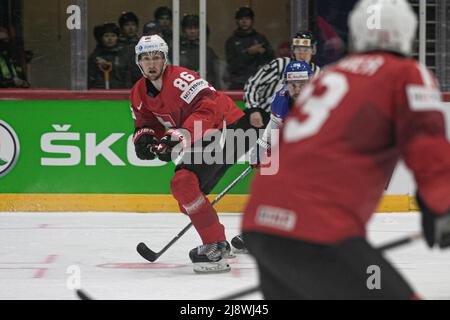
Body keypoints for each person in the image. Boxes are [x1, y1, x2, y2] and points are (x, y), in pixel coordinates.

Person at [242, 0, 450, 299]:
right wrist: (441, 205)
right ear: (407, 32)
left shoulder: (326, 78)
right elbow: (428, 149)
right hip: (319, 230)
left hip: (260, 224)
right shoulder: (406, 73)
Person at [129, 35, 254, 273]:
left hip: (228, 128)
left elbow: (209, 107)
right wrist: (145, 138)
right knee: (186, 195)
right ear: (138, 62)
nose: (151, 63)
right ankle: (217, 241)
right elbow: (145, 121)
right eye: (146, 58)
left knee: (184, 183)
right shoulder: (138, 92)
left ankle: (215, 244)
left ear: (165, 59)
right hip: (203, 133)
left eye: (156, 57)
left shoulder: (181, 79)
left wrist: (177, 135)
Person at [231, 60, 314, 252]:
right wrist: (259, 150)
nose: (297, 89)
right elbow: (272, 129)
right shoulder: (282, 99)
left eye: (302, 84)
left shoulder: (322, 100)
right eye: (293, 84)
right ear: (286, 83)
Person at [244, 31, 320, 129]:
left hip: (295, 123)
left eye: (305, 50)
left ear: (312, 51)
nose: (302, 54)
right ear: (293, 50)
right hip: (265, 118)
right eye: (298, 50)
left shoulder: (317, 72)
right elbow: (253, 83)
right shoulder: (280, 64)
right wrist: (254, 110)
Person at [224, 7, 274, 90]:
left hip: (258, 83)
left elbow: (271, 60)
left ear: (252, 20)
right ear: (237, 21)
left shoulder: (260, 39)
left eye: (247, 19)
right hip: (238, 83)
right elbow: (232, 66)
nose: (244, 22)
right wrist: (249, 53)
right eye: (241, 19)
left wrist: (265, 52)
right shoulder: (231, 41)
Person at [179, 14, 220, 89]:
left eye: (195, 28)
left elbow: (214, 76)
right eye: (189, 28)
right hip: (182, 90)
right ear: (184, 30)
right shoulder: (176, 50)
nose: (192, 31)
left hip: (204, 90)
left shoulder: (208, 51)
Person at [88, 23, 127, 89]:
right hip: (100, 94)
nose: (110, 39)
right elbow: (90, 78)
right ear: (101, 38)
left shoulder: (124, 55)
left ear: (117, 38)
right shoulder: (95, 57)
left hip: (120, 94)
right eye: (106, 36)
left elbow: (127, 77)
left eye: (113, 36)